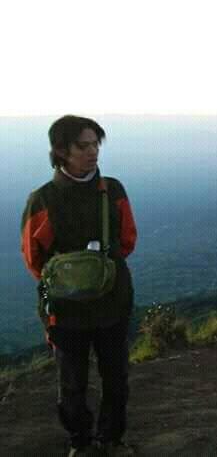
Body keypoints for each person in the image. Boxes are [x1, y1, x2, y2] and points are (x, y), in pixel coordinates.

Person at [21, 115, 138, 456]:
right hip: (68, 311)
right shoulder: (42, 200)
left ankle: (110, 440)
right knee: (73, 384)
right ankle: (82, 442)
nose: (92, 153)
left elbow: (128, 238)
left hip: (110, 306)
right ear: (61, 150)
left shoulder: (112, 189)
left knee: (115, 378)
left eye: (95, 145)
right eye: (83, 146)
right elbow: (34, 258)